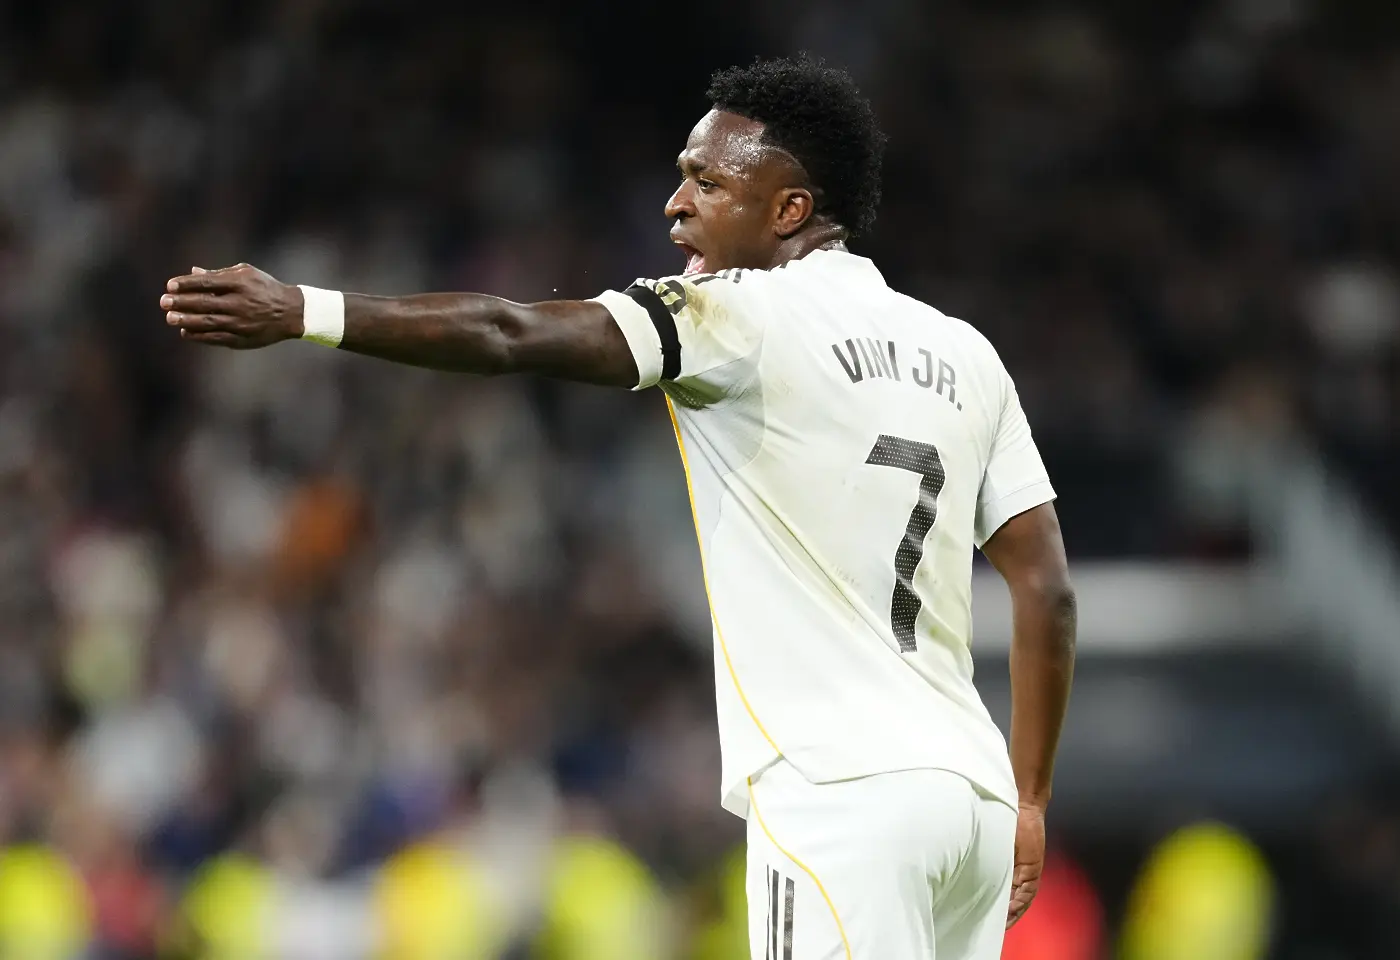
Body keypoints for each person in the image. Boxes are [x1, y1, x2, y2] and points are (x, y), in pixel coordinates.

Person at [159, 55, 1077, 960]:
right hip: (975, 796)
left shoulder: (742, 314)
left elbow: (507, 331)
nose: (675, 205)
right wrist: (1030, 799)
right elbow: (1047, 590)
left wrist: (303, 311)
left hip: (839, 788)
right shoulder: (966, 354)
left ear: (790, 210)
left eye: (707, 182)